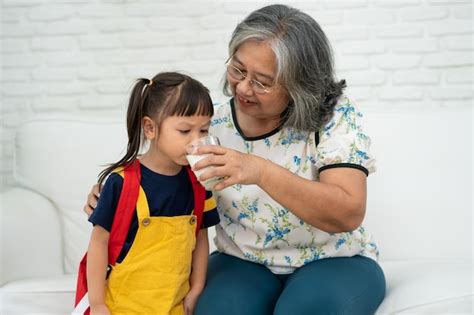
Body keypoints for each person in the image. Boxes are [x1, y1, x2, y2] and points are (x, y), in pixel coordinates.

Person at [85, 4, 386, 315]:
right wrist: (115, 192)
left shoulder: (333, 116)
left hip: (334, 261)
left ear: (300, 83)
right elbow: (160, 168)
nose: (242, 87)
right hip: (241, 262)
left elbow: (348, 212)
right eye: (238, 70)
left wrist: (258, 170)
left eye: (263, 81)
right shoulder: (207, 120)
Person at [82, 72, 220, 315]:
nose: (196, 141)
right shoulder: (120, 183)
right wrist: (97, 304)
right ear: (150, 128)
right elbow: (98, 243)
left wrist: (197, 287)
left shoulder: (199, 183)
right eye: (185, 131)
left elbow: (200, 239)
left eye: (204, 130)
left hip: (174, 307)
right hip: (122, 307)